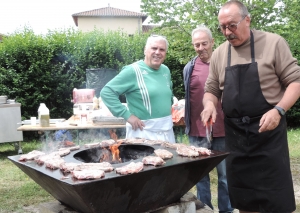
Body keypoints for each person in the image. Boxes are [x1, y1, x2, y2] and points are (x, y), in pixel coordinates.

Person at [201, 1, 300, 212]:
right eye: (222, 27)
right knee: (243, 201)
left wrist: (279, 110)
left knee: (275, 202)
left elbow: (296, 82)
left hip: (268, 136)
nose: (227, 32)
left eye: (232, 25)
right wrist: (209, 105)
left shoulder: (273, 43)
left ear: (247, 19)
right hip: (236, 140)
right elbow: (211, 89)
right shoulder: (219, 53)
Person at [183, 26, 233, 212]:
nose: (201, 47)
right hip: (196, 132)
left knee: (225, 176)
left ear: (213, 42)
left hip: (223, 130)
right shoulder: (189, 67)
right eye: (197, 44)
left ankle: (226, 210)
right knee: (200, 177)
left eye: (204, 43)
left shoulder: (225, 64)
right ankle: (205, 209)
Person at [100, 35, 175, 143]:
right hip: (143, 132)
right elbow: (107, 92)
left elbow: (169, 94)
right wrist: (127, 115)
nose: (158, 52)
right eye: (154, 48)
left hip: (166, 131)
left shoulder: (165, 70)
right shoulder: (133, 70)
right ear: (145, 50)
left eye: (162, 49)